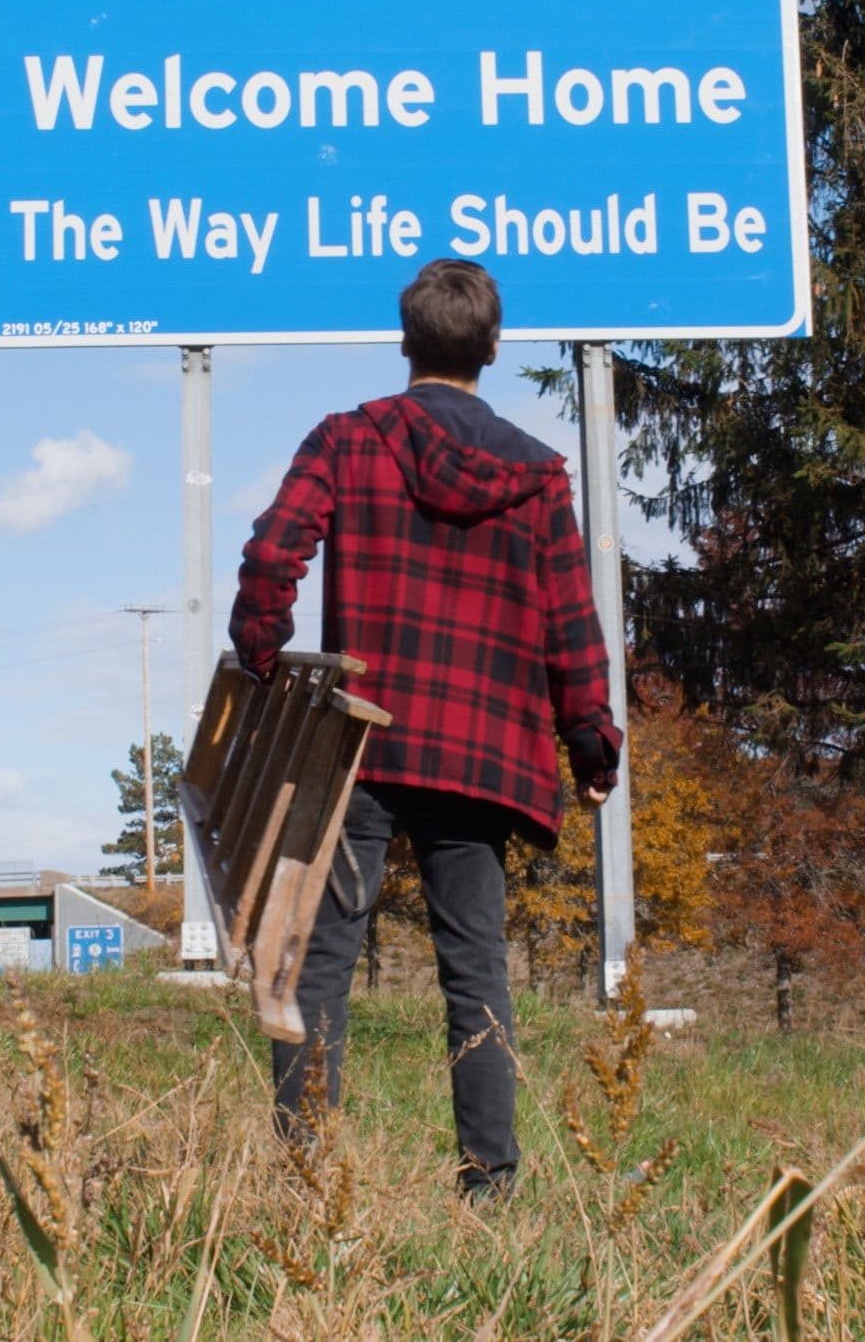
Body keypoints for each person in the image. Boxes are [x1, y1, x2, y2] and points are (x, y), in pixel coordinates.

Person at [230, 256, 622, 1200]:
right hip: (480, 751)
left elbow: (272, 554)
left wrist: (262, 659)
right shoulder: (536, 474)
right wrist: (592, 745)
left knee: (316, 961)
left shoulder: (346, 439)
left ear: (405, 342)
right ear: (492, 347)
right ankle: (488, 1184)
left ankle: (309, 1178)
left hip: (357, 745)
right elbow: (571, 622)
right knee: (474, 969)